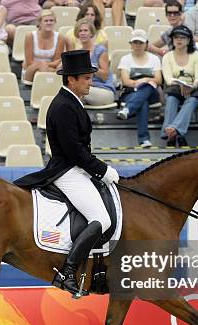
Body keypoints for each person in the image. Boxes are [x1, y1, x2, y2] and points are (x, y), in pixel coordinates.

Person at [14, 50, 120, 296]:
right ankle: (69, 272)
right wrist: (102, 170)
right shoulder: (63, 106)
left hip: (77, 168)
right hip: (67, 170)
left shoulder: (72, 102)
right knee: (102, 220)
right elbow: (73, 151)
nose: (90, 82)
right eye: (86, 78)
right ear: (71, 79)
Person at [116, 29, 162, 148]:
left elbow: (158, 80)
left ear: (146, 44)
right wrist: (138, 83)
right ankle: (144, 140)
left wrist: (145, 80)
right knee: (143, 102)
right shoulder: (125, 59)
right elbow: (125, 81)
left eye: (140, 43)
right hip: (131, 92)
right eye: (135, 42)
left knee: (148, 86)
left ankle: (128, 109)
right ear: (130, 44)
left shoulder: (154, 59)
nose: (137, 45)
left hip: (151, 92)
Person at [161, 25, 198, 147]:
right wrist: (180, 85)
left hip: (193, 89)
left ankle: (171, 131)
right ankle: (177, 133)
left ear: (189, 40)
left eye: (182, 37)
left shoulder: (196, 55)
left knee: (191, 101)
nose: (178, 40)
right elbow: (168, 79)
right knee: (171, 99)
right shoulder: (167, 56)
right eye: (176, 37)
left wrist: (191, 86)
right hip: (174, 89)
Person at [74, 19, 115, 106]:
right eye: (80, 31)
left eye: (86, 30)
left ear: (91, 33)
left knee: (74, 91)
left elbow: (105, 76)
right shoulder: (78, 53)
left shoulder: (100, 50)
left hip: (103, 91)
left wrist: (89, 66)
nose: (83, 33)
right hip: (86, 91)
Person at [23, 9, 64, 82]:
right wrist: (43, 64)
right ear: (40, 23)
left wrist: (46, 65)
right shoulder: (30, 36)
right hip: (31, 69)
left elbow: (56, 62)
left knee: (58, 67)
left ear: (55, 22)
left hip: (51, 69)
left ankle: (44, 86)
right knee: (42, 65)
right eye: (46, 21)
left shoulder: (59, 37)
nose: (49, 23)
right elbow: (29, 62)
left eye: (51, 21)